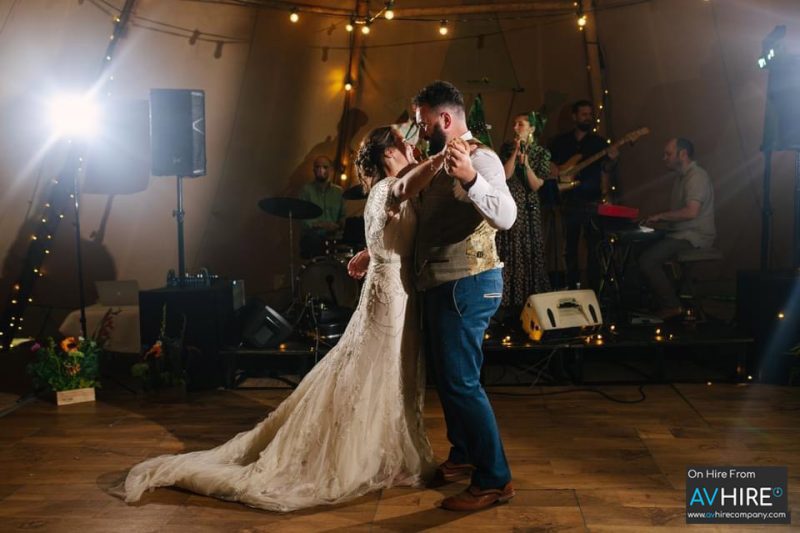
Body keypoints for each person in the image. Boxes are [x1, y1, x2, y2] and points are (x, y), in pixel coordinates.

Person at [117, 127, 446, 512]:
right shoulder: (388, 186)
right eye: (405, 142)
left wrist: (367, 253)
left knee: (390, 371)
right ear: (390, 152)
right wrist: (444, 155)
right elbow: (403, 192)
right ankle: (351, 456)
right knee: (376, 369)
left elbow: (389, 232)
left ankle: (383, 452)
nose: (413, 145)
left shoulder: (389, 186)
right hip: (389, 295)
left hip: (397, 286)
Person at [350, 81, 517, 512]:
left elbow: (508, 216)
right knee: (449, 379)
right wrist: (375, 249)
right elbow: (424, 219)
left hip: (468, 283)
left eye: (424, 124)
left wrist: (473, 179)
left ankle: (495, 480)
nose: (419, 134)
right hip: (443, 284)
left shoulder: (480, 157)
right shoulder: (436, 161)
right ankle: (463, 455)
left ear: (445, 119)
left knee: (461, 382)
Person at [640, 137, 716, 320]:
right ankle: (654, 301)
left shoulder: (696, 177)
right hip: (682, 234)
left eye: (668, 154)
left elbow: (691, 212)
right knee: (640, 248)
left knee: (647, 261)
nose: (664, 158)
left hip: (694, 237)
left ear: (683, 154)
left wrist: (660, 216)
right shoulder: (681, 178)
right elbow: (681, 216)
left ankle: (671, 306)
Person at [548, 100, 618, 290]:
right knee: (569, 247)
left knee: (593, 246)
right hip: (568, 199)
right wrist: (555, 169)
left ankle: (594, 288)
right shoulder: (561, 142)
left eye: (590, 114)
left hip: (591, 199)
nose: (588, 117)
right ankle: (572, 285)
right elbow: (549, 162)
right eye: (584, 114)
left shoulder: (598, 143)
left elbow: (606, 169)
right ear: (575, 116)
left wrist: (611, 160)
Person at [497, 112, 552, 311]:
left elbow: (536, 185)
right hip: (510, 206)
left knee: (529, 252)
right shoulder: (506, 148)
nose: (515, 128)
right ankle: (509, 303)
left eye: (520, 124)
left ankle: (531, 301)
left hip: (529, 208)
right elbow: (505, 175)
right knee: (510, 252)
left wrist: (526, 163)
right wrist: (515, 153)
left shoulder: (542, 153)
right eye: (514, 124)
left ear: (532, 129)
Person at [298, 155, 345, 258]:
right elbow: (301, 218)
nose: (321, 170)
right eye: (317, 167)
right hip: (313, 237)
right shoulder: (306, 191)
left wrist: (337, 226)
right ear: (313, 170)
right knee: (313, 240)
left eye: (325, 167)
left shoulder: (338, 192)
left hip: (334, 237)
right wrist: (319, 224)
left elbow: (343, 216)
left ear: (331, 169)